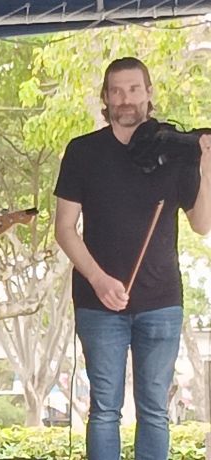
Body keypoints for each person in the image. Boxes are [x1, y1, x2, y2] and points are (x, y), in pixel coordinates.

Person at [54, 57, 210, 460]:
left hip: (161, 301)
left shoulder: (177, 152)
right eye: (117, 91)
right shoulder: (83, 151)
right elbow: (65, 229)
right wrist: (99, 279)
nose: (126, 99)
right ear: (106, 97)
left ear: (149, 93)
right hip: (97, 301)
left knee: (155, 410)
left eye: (134, 89)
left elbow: (201, 225)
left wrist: (207, 170)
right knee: (104, 409)